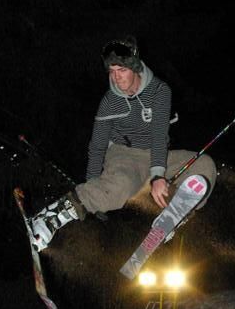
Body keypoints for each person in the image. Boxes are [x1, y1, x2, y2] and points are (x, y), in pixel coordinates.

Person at [31, 35, 217, 249]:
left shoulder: (159, 91)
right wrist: (94, 188)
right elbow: (97, 145)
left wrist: (158, 175)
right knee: (121, 185)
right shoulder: (110, 102)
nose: (116, 78)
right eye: (112, 71)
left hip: (157, 155)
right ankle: (51, 216)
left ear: (135, 67)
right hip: (124, 156)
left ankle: (173, 215)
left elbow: (159, 135)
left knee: (204, 165)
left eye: (121, 70)